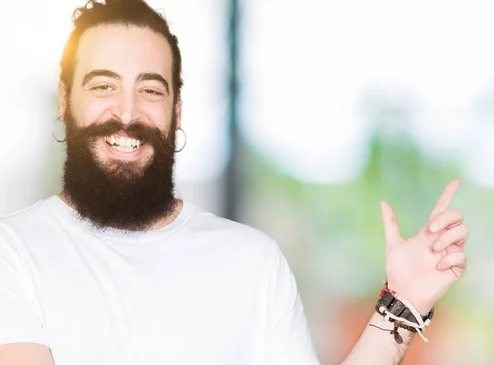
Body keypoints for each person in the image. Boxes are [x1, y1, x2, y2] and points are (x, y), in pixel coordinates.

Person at [0, 0, 469, 364]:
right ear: (65, 101)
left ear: (176, 112)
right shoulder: (14, 252)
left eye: (149, 90)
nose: (127, 112)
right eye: (103, 86)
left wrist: (405, 303)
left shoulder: (254, 262)